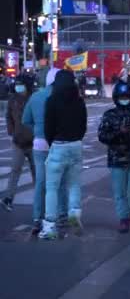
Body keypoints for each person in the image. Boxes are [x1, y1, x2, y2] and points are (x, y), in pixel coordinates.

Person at [38, 70, 88, 240]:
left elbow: (48, 127)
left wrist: (53, 141)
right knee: (74, 184)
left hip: (58, 145)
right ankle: (74, 211)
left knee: (52, 188)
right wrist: (77, 139)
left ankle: (50, 226)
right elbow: (83, 125)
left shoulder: (51, 101)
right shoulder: (79, 101)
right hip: (76, 145)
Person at [98, 81, 130, 233]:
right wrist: (119, 133)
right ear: (115, 98)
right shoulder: (109, 115)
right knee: (119, 192)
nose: (124, 99)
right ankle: (124, 219)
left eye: (127, 96)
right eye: (121, 97)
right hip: (116, 160)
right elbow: (102, 136)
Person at [21, 68, 66, 235]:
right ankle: (61, 215)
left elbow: (26, 120)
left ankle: (37, 218)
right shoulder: (61, 97)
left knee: (41, 182)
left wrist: (37, 132)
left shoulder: (36, 97)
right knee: (60, 181)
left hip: (39, 143)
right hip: (58, 141)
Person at [1, 74, 35, 212]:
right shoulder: (12, 99)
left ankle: (41, 201)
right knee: (15, 170)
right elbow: (8, 116)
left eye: (21, 84)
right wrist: (11, 131)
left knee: (37, 172)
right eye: (17, 84)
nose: (18, 87)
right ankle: (8, 198)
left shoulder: (34, 99)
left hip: (34, 142)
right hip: (18, 141)